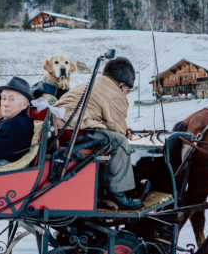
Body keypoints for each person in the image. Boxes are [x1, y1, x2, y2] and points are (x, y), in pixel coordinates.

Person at [53, 56, 142, 209]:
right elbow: (117, 128)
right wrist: (125, 133)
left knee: (111, 138)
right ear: (121, 85)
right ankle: (119, 194)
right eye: (128, 89)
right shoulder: (116, 93)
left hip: (61, 129)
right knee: (120, 142)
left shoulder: (92, 83)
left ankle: (101, 189)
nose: (126, 93)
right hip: (78, 130)